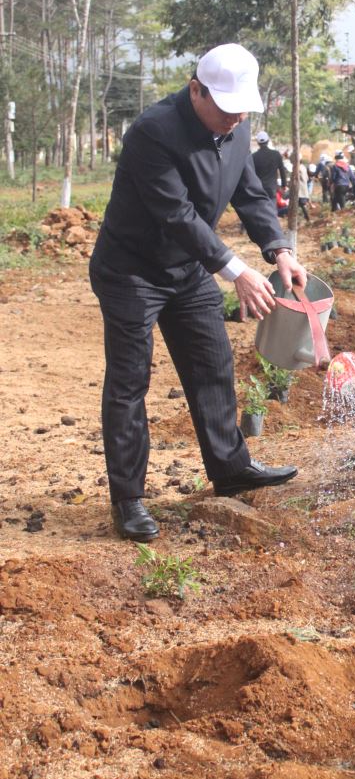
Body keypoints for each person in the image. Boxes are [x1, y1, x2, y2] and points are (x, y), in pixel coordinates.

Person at [90, 43, 307, 543]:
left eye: (241, 111)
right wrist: (236, 271)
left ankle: (230, 469)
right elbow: (176, 214)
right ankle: (128, 500)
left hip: (187, 271)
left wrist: (278, 250)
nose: (234, 120)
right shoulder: (153, 132)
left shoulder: (236, 125)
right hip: (132, 272)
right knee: (129, 382)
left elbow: (249, 192)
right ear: (196, 90)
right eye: (226, 110)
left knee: (213, 365)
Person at [251, 131, 287, 201]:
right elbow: (282, 171)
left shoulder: (253, 157)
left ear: (258, 143)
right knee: (272, 209)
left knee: (260, 209)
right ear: (268, 141)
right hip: (272, 189)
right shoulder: (276, 154)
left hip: (258, 189)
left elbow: (251, 174)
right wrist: (284, 185)